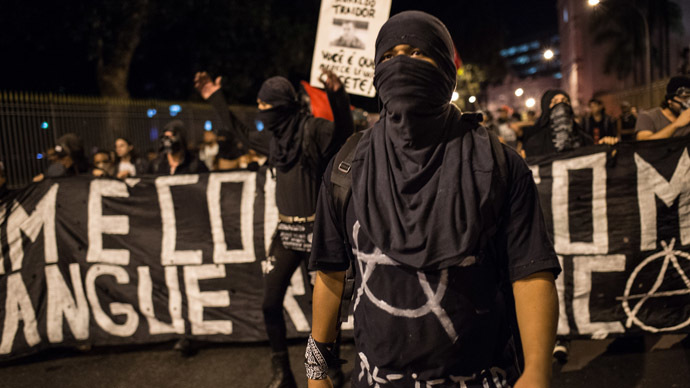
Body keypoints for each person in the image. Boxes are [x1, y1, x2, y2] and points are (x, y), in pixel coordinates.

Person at [307, 11, 560, 388]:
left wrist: (537, 370)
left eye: (416, 53)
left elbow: (531, 272)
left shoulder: (498, 166)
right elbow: (330, 273)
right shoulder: (346, 169)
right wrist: (316, 370)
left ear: (445, 68)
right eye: (389, 57)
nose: (401, 64)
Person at [196, 70, 353, 388]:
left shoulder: (314, 130)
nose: (261, 111)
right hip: (286, 233)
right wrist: (215, 96)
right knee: (269, 302)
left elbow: (344, 133)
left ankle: (328, 370)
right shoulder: (274, 140)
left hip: (318, 234)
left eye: (264, 105)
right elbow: (238, 131)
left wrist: (338, 96)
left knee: (323, 311)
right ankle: (282, 373)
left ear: (281, 106)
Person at [522, 90, 594, 157]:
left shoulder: (585, 140)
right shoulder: (535, 144)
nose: (561, 105)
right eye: (555, 102)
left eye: (565, 101)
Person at [635, 75, 690, 140]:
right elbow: (643, 143)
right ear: (670, 100)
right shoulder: (648, 117)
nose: (688, 101)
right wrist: (677, 124)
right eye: (684, 97)